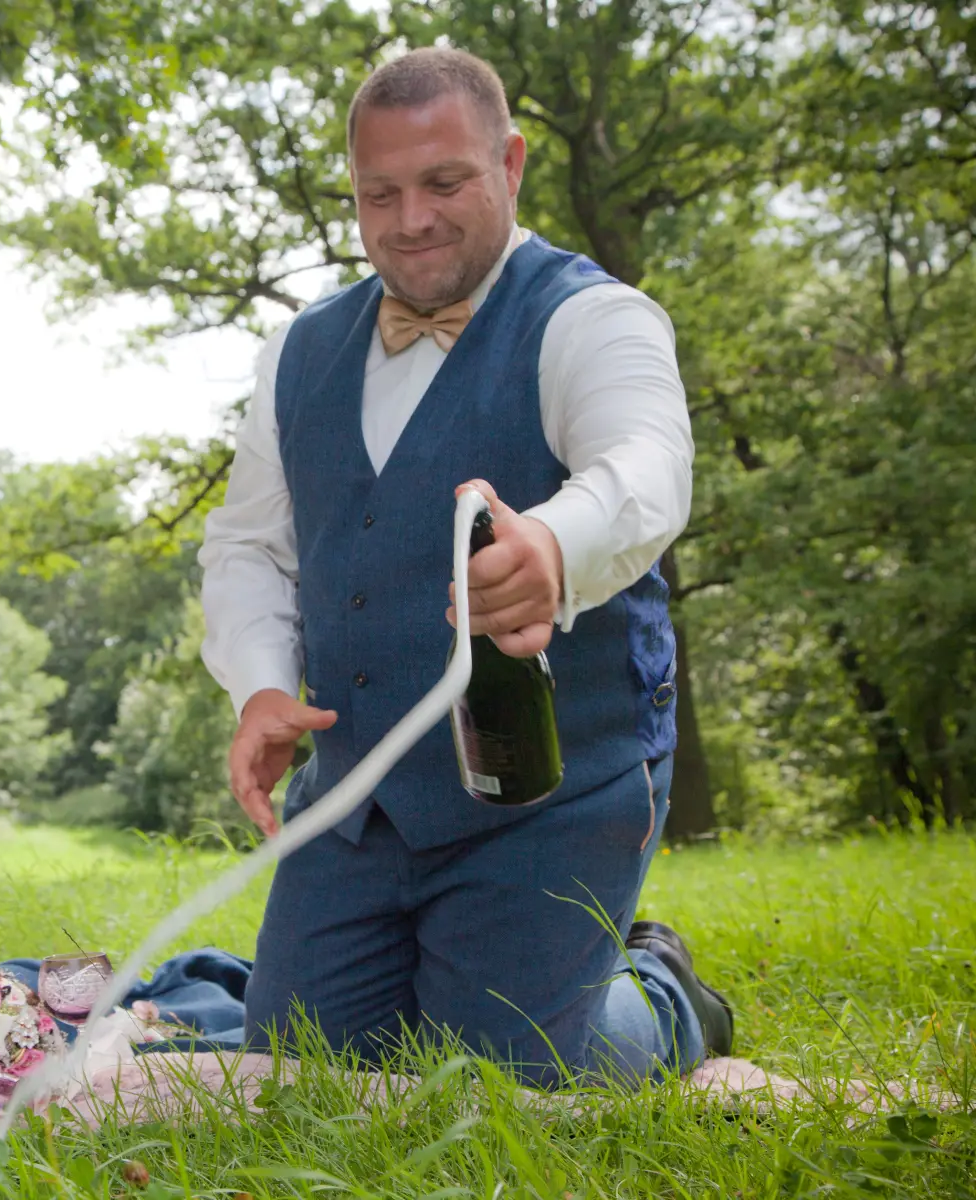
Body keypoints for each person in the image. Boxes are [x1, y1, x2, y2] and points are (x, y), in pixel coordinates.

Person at [197, 46, 734, 1087]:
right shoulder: (298, 352)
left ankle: (666, 995)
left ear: (512, 162)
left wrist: (554, 545)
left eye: (444, 182)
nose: (410, 220)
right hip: (359, 793)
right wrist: (261, 681)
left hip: (554, 785)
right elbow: (250, 544)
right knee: (295, 1067)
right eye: (378, 193)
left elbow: (648, 467)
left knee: (496, 1079)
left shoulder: (594, 318)